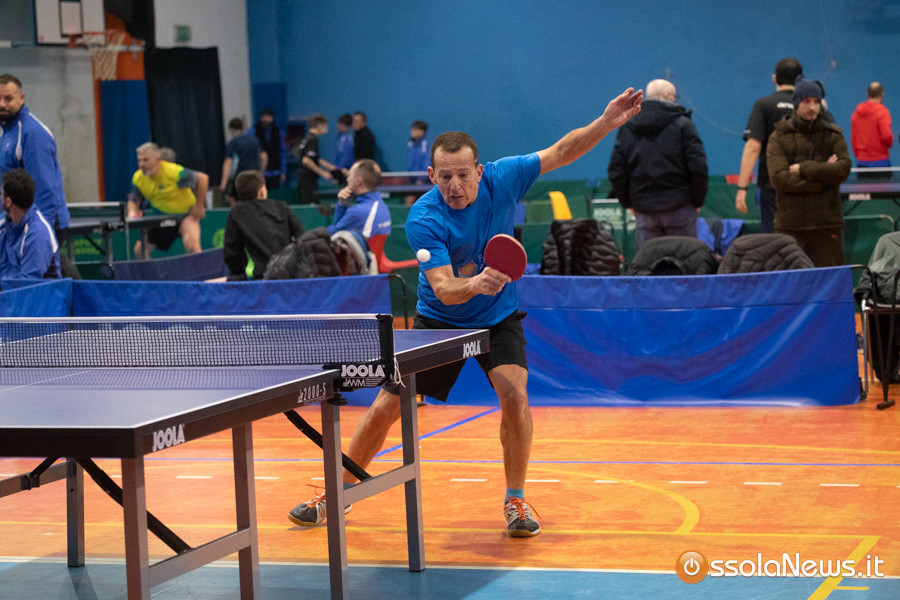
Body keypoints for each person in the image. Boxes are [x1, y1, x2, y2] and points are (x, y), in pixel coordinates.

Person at [288, 87, 644, 537]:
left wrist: (606, 122)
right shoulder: (424, 217)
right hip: (440, 321)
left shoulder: (504, 177)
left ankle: (515, 500)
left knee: (515, 397)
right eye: (445, 177)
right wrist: (475, 283)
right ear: (431, 174)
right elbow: (442, 288)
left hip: (497, 318)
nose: (454, 186)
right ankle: (337, 492)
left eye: (462, 175)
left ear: (479, 170)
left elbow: (560, 152)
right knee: (386, 406)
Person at [607, 79, 708, 248]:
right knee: (683, 261)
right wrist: (697, 201)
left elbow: (616, 170)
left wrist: (629, 204)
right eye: (674, 97)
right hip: (680, 207)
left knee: (649, 262)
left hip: (644, 210)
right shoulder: (684, 125)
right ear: (667, 96)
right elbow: (698, 167)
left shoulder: (628, 127)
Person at [767, 78, 851, 267]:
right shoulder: (778, 136)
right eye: (806, 101)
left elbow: (842, 170)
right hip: (790, 226)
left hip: (827, 224)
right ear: (797, 103)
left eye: (816, 101)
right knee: (790, 280)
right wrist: (824, 178)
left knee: (831, 279)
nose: (812, 107)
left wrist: (803, 168)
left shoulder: (833, 135)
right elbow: (780, 179)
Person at [735, 58, 804, 233]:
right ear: (800, 80)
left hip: (771, 184)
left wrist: (742, 187)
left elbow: (753, 147)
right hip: (804, 183)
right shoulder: (810, 107)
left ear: (774, 79)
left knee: (774, 238)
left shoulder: (763, 105)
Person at [0, 74, 69, 236]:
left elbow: (43, 188)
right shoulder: (7, 134)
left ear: (21, 99)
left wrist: (39, 233)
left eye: (8, 99)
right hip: (15, 225)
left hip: (40, 226)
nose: (2, 104)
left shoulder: (33, 133)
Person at [127, 142, 208, 258]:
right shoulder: (138, 177)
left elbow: (203, 179)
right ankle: (149, 270)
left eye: (145, 160)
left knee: (192, 247)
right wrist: (132, 211)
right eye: (139, 160)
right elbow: (133, 199)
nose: (141, 164)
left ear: (157, 160)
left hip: (185, 215)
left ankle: (200, 270)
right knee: (140, 250)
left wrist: (199, 206)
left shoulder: (173, 172)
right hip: (160, 217)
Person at [223, 170, 303, 280]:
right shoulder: (282, 207)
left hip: (260, 279)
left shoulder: (236, 213)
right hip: (290, 276)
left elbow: (231, 251)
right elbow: (302, 236)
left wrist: (239, 274)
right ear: (261, 191)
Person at [0, 168, 60, 279]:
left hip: (37, 290)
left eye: (1, 194)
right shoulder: (3, 223)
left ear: (8, 202)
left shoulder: (38, 235)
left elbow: (28, 284)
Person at [327, 158, 391, 239]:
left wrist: (341, 206)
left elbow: (333, 235)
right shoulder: (381, 205)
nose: (347, 179)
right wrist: (343, 203)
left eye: (350, 175)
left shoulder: (358, 212)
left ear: (358, 181)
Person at [219, 118, 266, 207]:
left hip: (240, 178)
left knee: (232, 199)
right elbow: (264, 157)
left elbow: (228, 163)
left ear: (231, 129)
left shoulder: (233, 143)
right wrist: (261, 172)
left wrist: (223, 183)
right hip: (255, 177)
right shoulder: (255, 141)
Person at [851, 82, 894, 177]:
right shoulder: (883, 112)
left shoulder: (856, 114)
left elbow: (854, 139)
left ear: (868, 94)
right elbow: (887, 136)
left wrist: (860, 155)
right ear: (882, 95)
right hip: (881, 163)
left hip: (862, 163)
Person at [296, 113, 337, 204]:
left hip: (306, 179)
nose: (326, 128)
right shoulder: (313, 139)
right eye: (325, 125)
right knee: (309, 204)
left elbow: (316, 159)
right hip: (308, 180)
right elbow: (306, 160)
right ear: (319, 125)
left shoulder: (308, 138)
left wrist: (331, 167)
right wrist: (323, 173)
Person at [250, 107, 285, 190]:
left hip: (275, 171)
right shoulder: (253, 131)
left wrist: (283, 171)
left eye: (268, 116)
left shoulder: (278, 132)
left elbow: (283, 152)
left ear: (272, 118)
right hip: (258, 171)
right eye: (264, 116)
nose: (266, 119)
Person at [405, 120, 431, 205]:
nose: (411, 131)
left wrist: (421, 179)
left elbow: (427, 164)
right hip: (411, 180)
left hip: (422, 182)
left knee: (410, 200)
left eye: (415, 130)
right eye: (412, 129)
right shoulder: (411, 144)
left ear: (421, 132)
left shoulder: (426, 146)